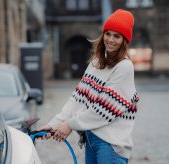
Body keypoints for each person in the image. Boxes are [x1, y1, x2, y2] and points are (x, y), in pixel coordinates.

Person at [38, 9, 140, 164]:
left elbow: (102, 110)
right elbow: (77, 99)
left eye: (117, 36)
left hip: (110, 145)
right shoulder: (96, 62)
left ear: (124, 41)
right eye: (108, 34)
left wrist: (69, 125)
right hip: (91, 139)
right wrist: (53, 124)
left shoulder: (124, 67)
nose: (110, 40)